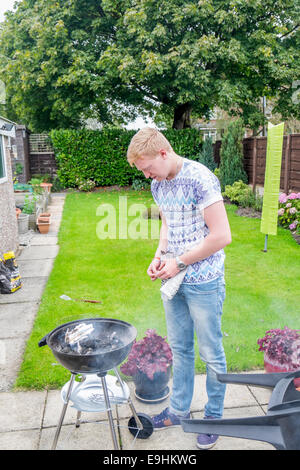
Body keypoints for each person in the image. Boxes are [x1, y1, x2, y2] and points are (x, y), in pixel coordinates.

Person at [127, 127, 231, 450]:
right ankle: (179, 410)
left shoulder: (201, 179)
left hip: (204, 280)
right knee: (181, 349)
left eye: (147, 167)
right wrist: (159, 256)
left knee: (211, 352)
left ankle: (213, 416)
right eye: (142, 170)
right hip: (174, 279)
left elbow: (221, 235)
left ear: (163, 152)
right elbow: (168, 224)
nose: (146, 175)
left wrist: (180, 262)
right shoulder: (158, 185)